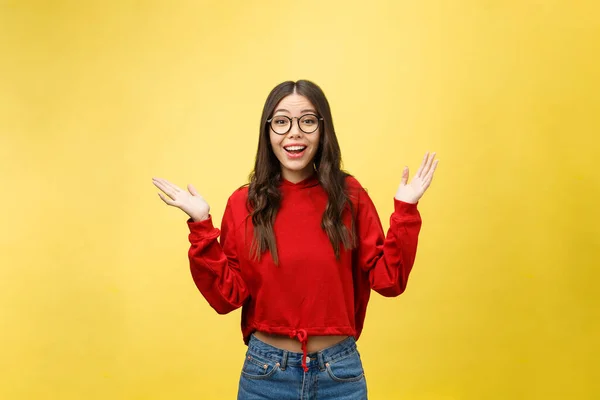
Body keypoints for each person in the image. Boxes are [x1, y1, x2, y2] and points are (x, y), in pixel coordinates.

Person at [152, 80, 439, 399]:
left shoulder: (350, 196)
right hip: (266, 375)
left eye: (307, 120)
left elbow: (390, 281)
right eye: (281, 121)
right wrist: (201, 225)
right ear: (268, 132)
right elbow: (226, 298)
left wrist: (406, 210)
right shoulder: (243, 204)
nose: (294, 132)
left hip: (339, 375)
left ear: (322, 129)